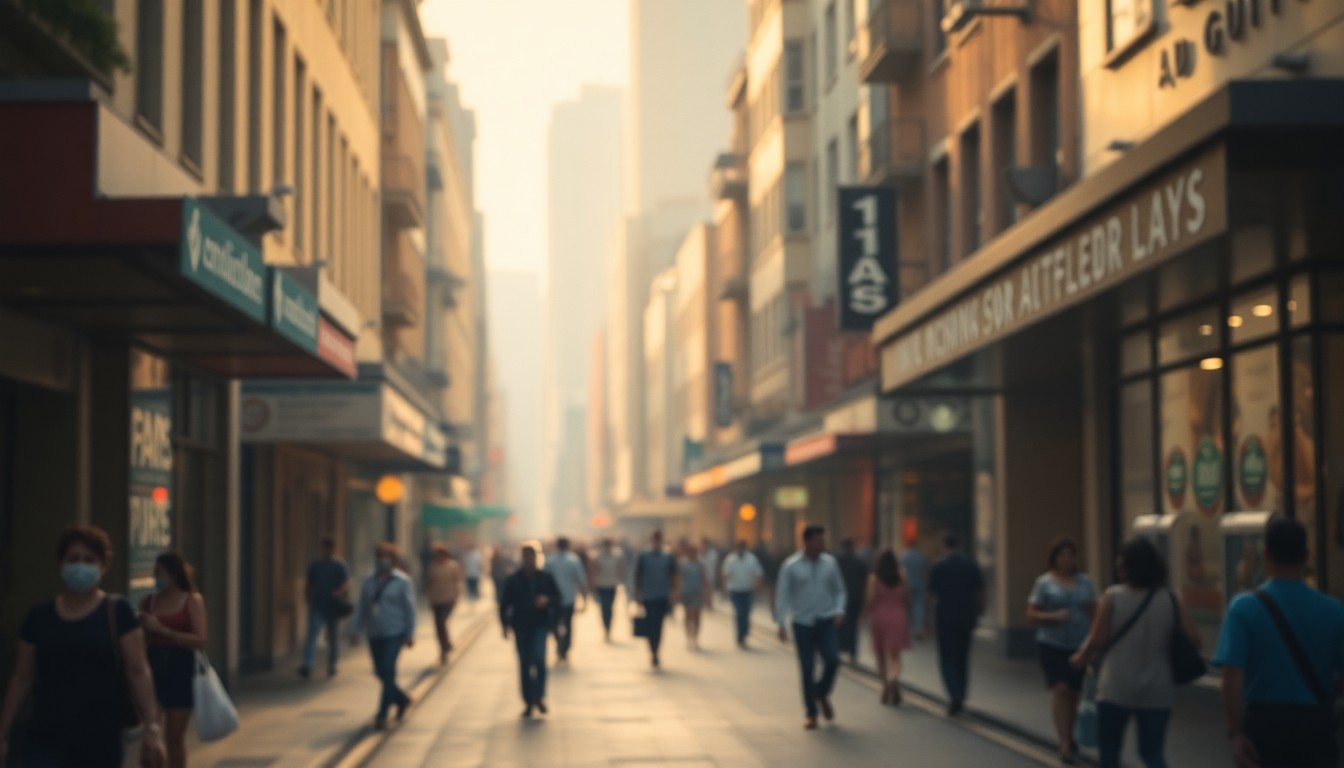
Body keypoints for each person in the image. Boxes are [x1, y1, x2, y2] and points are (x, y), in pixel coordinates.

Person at [0, 525, 166, 768]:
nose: (81, 566)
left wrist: (152, 727)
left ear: (103, 566)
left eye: (89, 560)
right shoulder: (39, 617)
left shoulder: (117, 613)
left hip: (100, 740)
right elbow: (22, 678)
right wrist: (3, 731)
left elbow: (138, 671)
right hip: (45, 739)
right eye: (73, 559)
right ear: (60, 564)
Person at [1215, 517, 1344, 768]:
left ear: (1265, 554)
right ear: (1306, 555)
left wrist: (1235, 732)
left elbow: (1232, 674)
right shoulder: (1333, 610)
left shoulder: (1243, 608)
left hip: (1264, 725)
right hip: (1316, 725)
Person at [1071, 537, 1200, 768]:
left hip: (1115, 687)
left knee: (1110, 752)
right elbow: (1194, 640)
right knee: (1152, 754)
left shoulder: (1113, 596)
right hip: (1158, 688)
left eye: (1121, 563)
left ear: (1127, 566)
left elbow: (1097, 639)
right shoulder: (1170, 598)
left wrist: (1081, 657)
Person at [1027, 537, 1097, 764]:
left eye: (1070, 555)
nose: (1067, 560)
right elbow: (1031, 613)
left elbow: (1095, 613)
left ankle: (1070, 732)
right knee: (1061, 689)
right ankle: (1064, 741)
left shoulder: (1085, 582)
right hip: (1051, 644)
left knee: (1074, 692)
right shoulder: (1044, 583)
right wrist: (1052, 616)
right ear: (1054, 559)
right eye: (1062, 556)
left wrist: (1094, 643)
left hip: (1079, 644)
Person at [140, 552, 208, 768]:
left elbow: (200, 640)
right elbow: (138, 640)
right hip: (154, 666)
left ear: (173, 574)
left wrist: (163, 630)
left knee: (174, 738)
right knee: (150, 736)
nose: (156, 578)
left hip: (181, 669)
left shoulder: (192, 600)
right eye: (154, 573)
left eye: (159, 573)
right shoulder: (148, 602)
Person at [775, 525, 847, 730]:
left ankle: (821, 692)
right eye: (818, 540)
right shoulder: (791, 565)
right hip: (802, 622)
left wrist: (839, 609)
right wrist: (780, 623)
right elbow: (783, 594)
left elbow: (840, 590)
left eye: (823, 540)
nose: (821, 544)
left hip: (826, 620)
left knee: (833, 660)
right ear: (806, 542)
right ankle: (811, 712)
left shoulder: (830, 563)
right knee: (807, 668)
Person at [350, 542, 417, 730]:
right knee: (379, 671)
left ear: (393, 559)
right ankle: (402, 699)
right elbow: (362, 607)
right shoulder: (369, 580)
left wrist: (410, 633)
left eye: (385, 556)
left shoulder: (402, 581)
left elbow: (410, 610)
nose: (381, 559)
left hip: (394, 632)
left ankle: (381, 714)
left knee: (388, 669)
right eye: (379, 556)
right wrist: (354, 629)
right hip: (374, 632)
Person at [926, 530, 984, 716]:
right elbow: (980, 592)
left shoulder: (938, 566)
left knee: (947, 657)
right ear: (959, 544)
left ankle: (954, 693)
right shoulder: (971, 565)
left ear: (944, 545)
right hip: (966, 616)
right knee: (962, 656)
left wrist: (927, 621)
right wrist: (979, 613)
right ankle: (962, 691)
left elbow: (930, 595)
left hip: (945, 617)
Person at [501, 545, 561, 718]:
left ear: (536, 558)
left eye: (531, 557)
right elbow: (505, 603)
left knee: (539, 659)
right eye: (525, 557)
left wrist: (547, 600)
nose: (528, 560)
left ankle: (539, 696)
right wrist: (504, 625)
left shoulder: (545, 577)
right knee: (525, 663)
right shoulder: (514, 579)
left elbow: (557, 598)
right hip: (520, 625)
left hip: (540, 624)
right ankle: (528, 701)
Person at [299, 534, 351, 679]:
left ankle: (332, 665)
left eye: (329, 547)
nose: (326, 550)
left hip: (332, 606)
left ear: (333, 548)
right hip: (317, 604)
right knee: (312, 635)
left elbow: (346, 583)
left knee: (333, 637)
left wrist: (339, 592)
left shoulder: (339, 565)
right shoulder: (316, 565)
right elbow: (309, 583)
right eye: (324, 547)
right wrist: (308, 598)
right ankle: (308, 665)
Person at [865, 549, 912, 706]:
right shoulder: (902, 576)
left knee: (880, 656)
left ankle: (885, 685)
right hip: (898, 617)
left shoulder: (873, 578)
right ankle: (894, 678)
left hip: (879, 617)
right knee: (895, 656)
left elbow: (871, 601)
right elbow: (907, 598)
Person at [633, 530, 679, 668]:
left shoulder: (668, 556)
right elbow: (638, 575)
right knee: (650, 625)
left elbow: (673, 575)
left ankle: (656, 651)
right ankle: (652, 650)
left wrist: (674, 592)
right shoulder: (643, 556)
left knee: (659, 625)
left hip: (662, 596)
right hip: (648, 596)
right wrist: (637, 592)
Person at [543, 537, 588, 662]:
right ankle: (565, 648)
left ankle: (559, 643)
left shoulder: (550, 561)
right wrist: (584, 598)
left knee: (554, 625)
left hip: (553, 600)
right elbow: (581, 579)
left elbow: (543, 579)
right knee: (568, 624)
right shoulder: (574, 560)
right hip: (569, 598)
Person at [425, 542, 463, 665]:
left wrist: (457, 596)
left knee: (442, 622)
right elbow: (429, 584)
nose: (439, 557)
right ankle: (444, 648)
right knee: (438, 626)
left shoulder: (453, 566)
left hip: (448, 599)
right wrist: (429, 598)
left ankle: (445, 646)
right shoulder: (432, 567)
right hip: (436, 600)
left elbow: (457, 582)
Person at [722, 540, 764, 648]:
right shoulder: (730, 560)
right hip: (735, 590)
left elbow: (758, 573)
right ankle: (740, 636)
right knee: (739, 612)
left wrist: (756, 585)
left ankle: (745, 632)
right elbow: (726, 574)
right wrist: (725, 587)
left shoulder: (752, 559)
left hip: (748, 590)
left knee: (746, 612)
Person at [837, 538, 869, 661]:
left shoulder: (838, 561)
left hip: (841, 597)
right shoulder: (859, 562)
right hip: (856, 596)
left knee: (841, 624)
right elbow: (865, 581)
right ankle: (853, 651)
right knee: (854, 625)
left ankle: (842, 647)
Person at [678, 545, 713, 649]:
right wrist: (678, 592)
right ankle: (688, 635)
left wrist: (708, 596)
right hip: (686, 593)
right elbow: (679, 579)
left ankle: (695, 637)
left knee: (697, 615)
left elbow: (704, 580)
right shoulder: (683, 564)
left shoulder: (700, 565)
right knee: (688, 615)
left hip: (697, 593)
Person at [592, 538, 626, 640]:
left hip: (612, 585)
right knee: (604, 608)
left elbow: (621, 570)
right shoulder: (597, 556)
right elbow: (594, 571)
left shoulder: (617, 556)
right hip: (601, 586)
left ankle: (609, 628)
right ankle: (605, 628)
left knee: (610, 608)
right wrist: (593, 586)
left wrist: (621, 581)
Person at [899, 535, 929, 639]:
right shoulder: (921, 556)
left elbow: (900, 572)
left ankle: (906, 628)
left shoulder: (903, 556)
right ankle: (918, 628)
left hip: (907, 584)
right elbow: (925, 571)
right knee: (919, 606)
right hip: (919, 583)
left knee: (906, 606)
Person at [490, 545, 515, 629]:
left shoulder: (496, 559)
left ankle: (505, 619)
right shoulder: (501, 558)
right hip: (501, 580)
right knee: (502, 596)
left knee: (501, 597)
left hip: (500, 580)